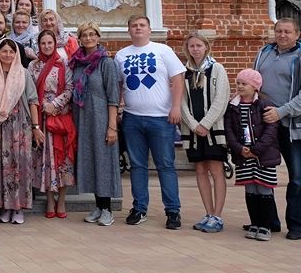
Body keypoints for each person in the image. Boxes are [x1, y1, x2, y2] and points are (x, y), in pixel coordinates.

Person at [116, 14, 186, 230]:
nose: (138, 28)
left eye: (142, 25)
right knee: (137, 165)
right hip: (132, 117)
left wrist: (175, 107)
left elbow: (177, 79)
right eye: (134, 26)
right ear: (128, 30)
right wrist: (119, 107)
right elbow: (119, 84)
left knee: (165, 165)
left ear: (149, 29)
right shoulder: (121, 55)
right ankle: (139, 208)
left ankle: (173, 210)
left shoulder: (163, 51)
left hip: (161, 118)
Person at [69, 22, 121, 227]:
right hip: (83, 119)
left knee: (104, 161)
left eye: (92, 34)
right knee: (90, 162)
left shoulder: (106, 63)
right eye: (84, 35)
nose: (88, 38)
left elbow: (113, 97)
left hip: (101, 119)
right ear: (79, 38)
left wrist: (111, 126)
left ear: (98, 37)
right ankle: (98, 205)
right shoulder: (77, 63)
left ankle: (108, 208)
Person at [0, 39, 40, 225]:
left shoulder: (23, 73)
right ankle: (4, 207)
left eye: (11, 51)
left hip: (21, 125)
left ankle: (18, 207)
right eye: (4, 51)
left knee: (20, 164)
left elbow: (33, 101)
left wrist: (36, 127)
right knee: (2, 165)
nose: (7, 55)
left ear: (16, 54)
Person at [256, 17, 301, 239]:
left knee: (297, 177)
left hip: (292, 126)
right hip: (265, 125)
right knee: (264, 174)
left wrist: (281, 111)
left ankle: (296, 225)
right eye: (279, 31)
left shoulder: (299, 57)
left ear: (297, 35)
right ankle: (268, 222)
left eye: (287, 32)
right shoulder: (264, 52)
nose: (282, 35)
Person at [181, 32, 231, 233]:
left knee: (216, 170)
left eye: (198, 45)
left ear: (206, 47)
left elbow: (221, 98)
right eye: (191, 46)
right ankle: (208, 213)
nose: (195, 49)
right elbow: (181, 101)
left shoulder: (216, 69)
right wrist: (194, 125)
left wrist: (206, 124)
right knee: (200, 170)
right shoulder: (184, 71)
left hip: (213, 129)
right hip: (193, 131)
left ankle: (218, 215)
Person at [226, 69, 281, 241]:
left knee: (264, 188)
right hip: (243, 155)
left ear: (255, 87)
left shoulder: (264, 104)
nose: (240, 86)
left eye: (244, 84)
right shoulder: (233, 106)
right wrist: (238, 148)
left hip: (263, 156)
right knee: (250, 189)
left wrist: (256, 149)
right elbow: (229, 129)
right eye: (239, 83)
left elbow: (271, 130)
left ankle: (265, 226)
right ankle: (255, 223)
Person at [29, 29, 76, 219]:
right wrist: (41, 109)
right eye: (43, 43)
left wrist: (54, 105)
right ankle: (49, 198)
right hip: (40, 116)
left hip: (59, 115)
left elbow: (70, 88)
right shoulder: (33, 66)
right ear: (38, 45)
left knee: (62, 158)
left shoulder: (64, 63)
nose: (46, 46)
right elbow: (30, 90)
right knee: (45, 159)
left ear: (55, 43)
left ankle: (62, 199)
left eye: (50, 43)